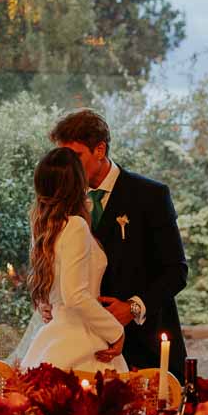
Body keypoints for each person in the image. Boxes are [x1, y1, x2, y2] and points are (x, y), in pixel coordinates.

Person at [50, 108, 189, 380]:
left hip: (144, 344)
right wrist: (50, 299)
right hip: (87, 348)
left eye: (75, 156)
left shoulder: (150, 195)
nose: (68, 167)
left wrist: (134, 307)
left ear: (99, 150)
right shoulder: (63, 202)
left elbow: (176, 271)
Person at [20, 147, 129, 375]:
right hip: (82, 339)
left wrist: (45, 303)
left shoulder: (43, 229)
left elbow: (56, 289)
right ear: (79, 184)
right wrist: (115, 331)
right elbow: (74, 295)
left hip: (55, 338)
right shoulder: (75, 226)